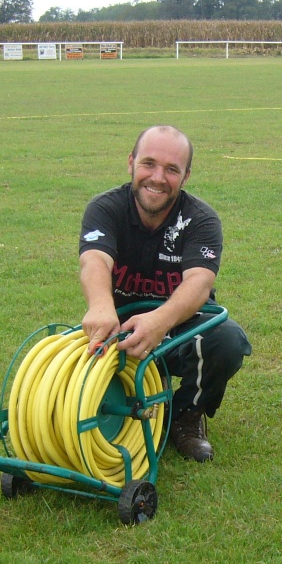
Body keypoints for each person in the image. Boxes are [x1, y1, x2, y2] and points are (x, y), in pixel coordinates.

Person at [79, 125, 251, 462]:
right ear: (130, 162)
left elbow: (198, 283)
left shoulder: (201, 219)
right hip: (121, 329)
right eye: (149, 164)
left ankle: (186, 418)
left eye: (172, 169)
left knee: (227, 340)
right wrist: (100, 305)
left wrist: (159, 321)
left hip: (178, 327)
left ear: (186, 176)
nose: (158, 177)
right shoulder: (105, 208)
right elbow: (94, 259)